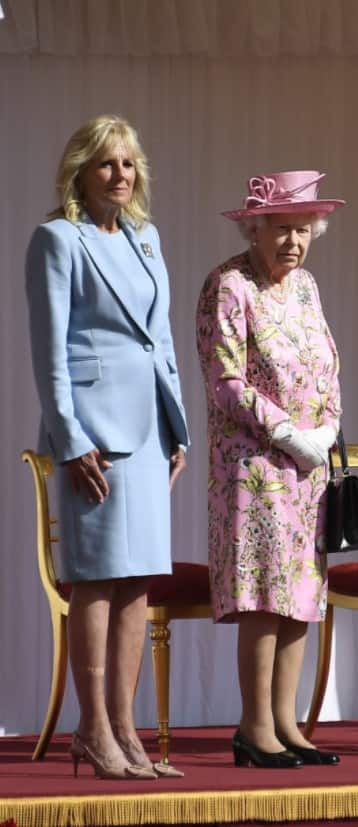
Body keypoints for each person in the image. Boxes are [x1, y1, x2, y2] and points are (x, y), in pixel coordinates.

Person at [25, 115, 191, 780]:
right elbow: (50, 349)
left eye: (127, 163)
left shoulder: (147, 240)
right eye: (106, 163)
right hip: (94, 435)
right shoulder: (55, 240)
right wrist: (69, 438)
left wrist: (177, 423)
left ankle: (126, 727)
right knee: (95, 577)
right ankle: (90, 727)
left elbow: (162, 337)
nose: (119, 175)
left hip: (149, 432)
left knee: (138, 582)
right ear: (80, 172)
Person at [196, 171, 345, 769]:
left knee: (302, 595)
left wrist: (327, 429)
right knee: (263, 595)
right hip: (253, 465)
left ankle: (287, 723)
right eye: (281, 229)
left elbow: (330, 364)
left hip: (307, 467)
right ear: (255, 228)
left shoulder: (306, 287)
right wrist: (288, 433)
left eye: (303, 230)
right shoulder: (228, 284)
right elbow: (224, 378)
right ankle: (254, 728)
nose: (293, 242)